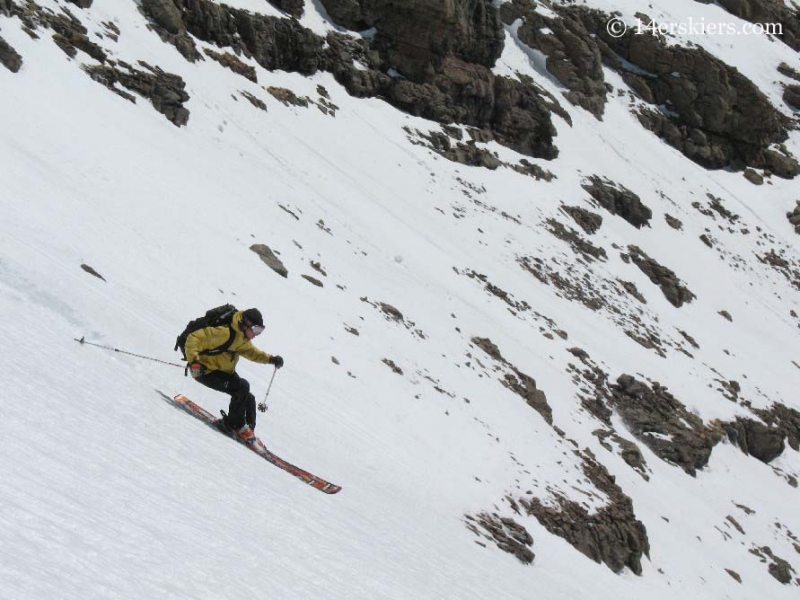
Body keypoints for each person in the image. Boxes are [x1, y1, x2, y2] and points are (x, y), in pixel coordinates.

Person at [184, 308, 283, 442]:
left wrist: (271, 359)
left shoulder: (241, 337)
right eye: (255, 330)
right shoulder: (224, 333)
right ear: (245, 324)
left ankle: (247, 431)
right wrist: (194, 362)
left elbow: (252, 353)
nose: (256, 334)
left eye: (260, 331)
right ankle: (234, 425)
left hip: (221, 372)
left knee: (248, 398)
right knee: (241, 387)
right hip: (205, 371)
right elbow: (193, 338)